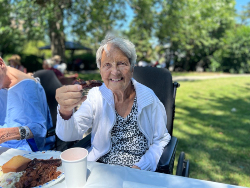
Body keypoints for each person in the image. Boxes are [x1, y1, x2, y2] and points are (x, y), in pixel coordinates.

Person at [55, 35, 171, 171]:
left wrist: (141, 167)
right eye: (107, 65)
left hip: (137, 173)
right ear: (100, 70)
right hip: (101, 171)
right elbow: (68, 135)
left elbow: (161, 139)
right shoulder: (95, 96)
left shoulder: (148, 98)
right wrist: (65, 110)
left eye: (122, 63)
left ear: (132, 68)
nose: (115, 72)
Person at [0, 57, 54, 151]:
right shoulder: (2, 85)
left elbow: (40, 130)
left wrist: (7, 134)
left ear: (1, 63)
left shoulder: (28, 87)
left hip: (23, 151)